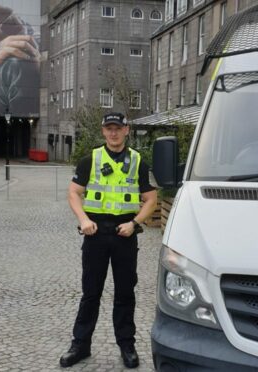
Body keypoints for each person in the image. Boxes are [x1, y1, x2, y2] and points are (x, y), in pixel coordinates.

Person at [60, 113, 157, 368]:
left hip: (124, 235)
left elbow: (151, 200)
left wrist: (135, 223)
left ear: (127, 130)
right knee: (91, 293)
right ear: (103, 132)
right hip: (95, 235)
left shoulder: (137, 161)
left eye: (118, 128)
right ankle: (80, 345)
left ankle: (127, 346)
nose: (113, 133)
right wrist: (83, 220)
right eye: (108, 128)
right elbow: (73, 192)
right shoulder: (91, 159)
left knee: (125, 293)